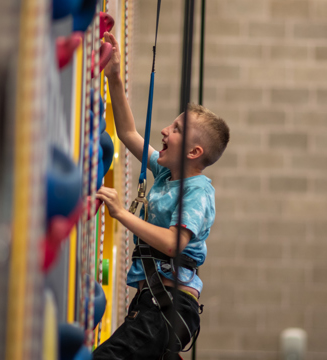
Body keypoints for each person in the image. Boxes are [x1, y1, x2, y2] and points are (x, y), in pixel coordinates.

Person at [93, 32, 230, 360]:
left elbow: (173, 244)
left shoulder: (197, 192)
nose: (165, 132)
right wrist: (114, 76)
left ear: (195, 152)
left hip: (168, 308)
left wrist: (121, 213)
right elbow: (127, 133)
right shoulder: (168, 173)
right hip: (152, 304)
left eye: (177, 129)